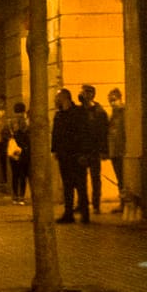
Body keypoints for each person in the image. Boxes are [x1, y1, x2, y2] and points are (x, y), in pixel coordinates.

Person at [51, 88, 89, 223]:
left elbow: (85, 134)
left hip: (77, 155)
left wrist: (84, 153)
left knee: (80, 185)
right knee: (67, 186)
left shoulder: (78, 113)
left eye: (57, 98)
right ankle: (68, 214)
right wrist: (55, 150)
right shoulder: (59, 115)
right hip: (64, 156)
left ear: (65, 98)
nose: (55, 101)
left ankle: (85, 214)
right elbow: (55, 134)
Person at [78, 85, 109, 213]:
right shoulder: (79, 111)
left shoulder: (99, 112)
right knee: (81, 178)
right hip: (81, 150)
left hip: (94, 150)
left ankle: (96, 204)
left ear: (91, 94)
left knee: (95, 178)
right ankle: (82, 204)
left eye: (86, 92)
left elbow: (103, 133)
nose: (83, 95)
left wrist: (103, 150)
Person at [106, 89, 127, 213]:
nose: (112, 103)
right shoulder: (113, 114)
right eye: (110, 101)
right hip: (114, 151)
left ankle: (124, 203)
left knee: (123, 178)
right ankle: (122, 203)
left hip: (122, 151)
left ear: (120, 98)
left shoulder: (124, 112)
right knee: (120, 178)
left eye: (114, 100)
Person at [8, 101, 30, 204]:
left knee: (15, 174)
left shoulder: (10, 121)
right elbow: (26, 132)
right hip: (23, 149)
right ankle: (21, 196)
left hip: (13, 149)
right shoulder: (23, 121)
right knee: (23, 174)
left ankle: (15, 196)